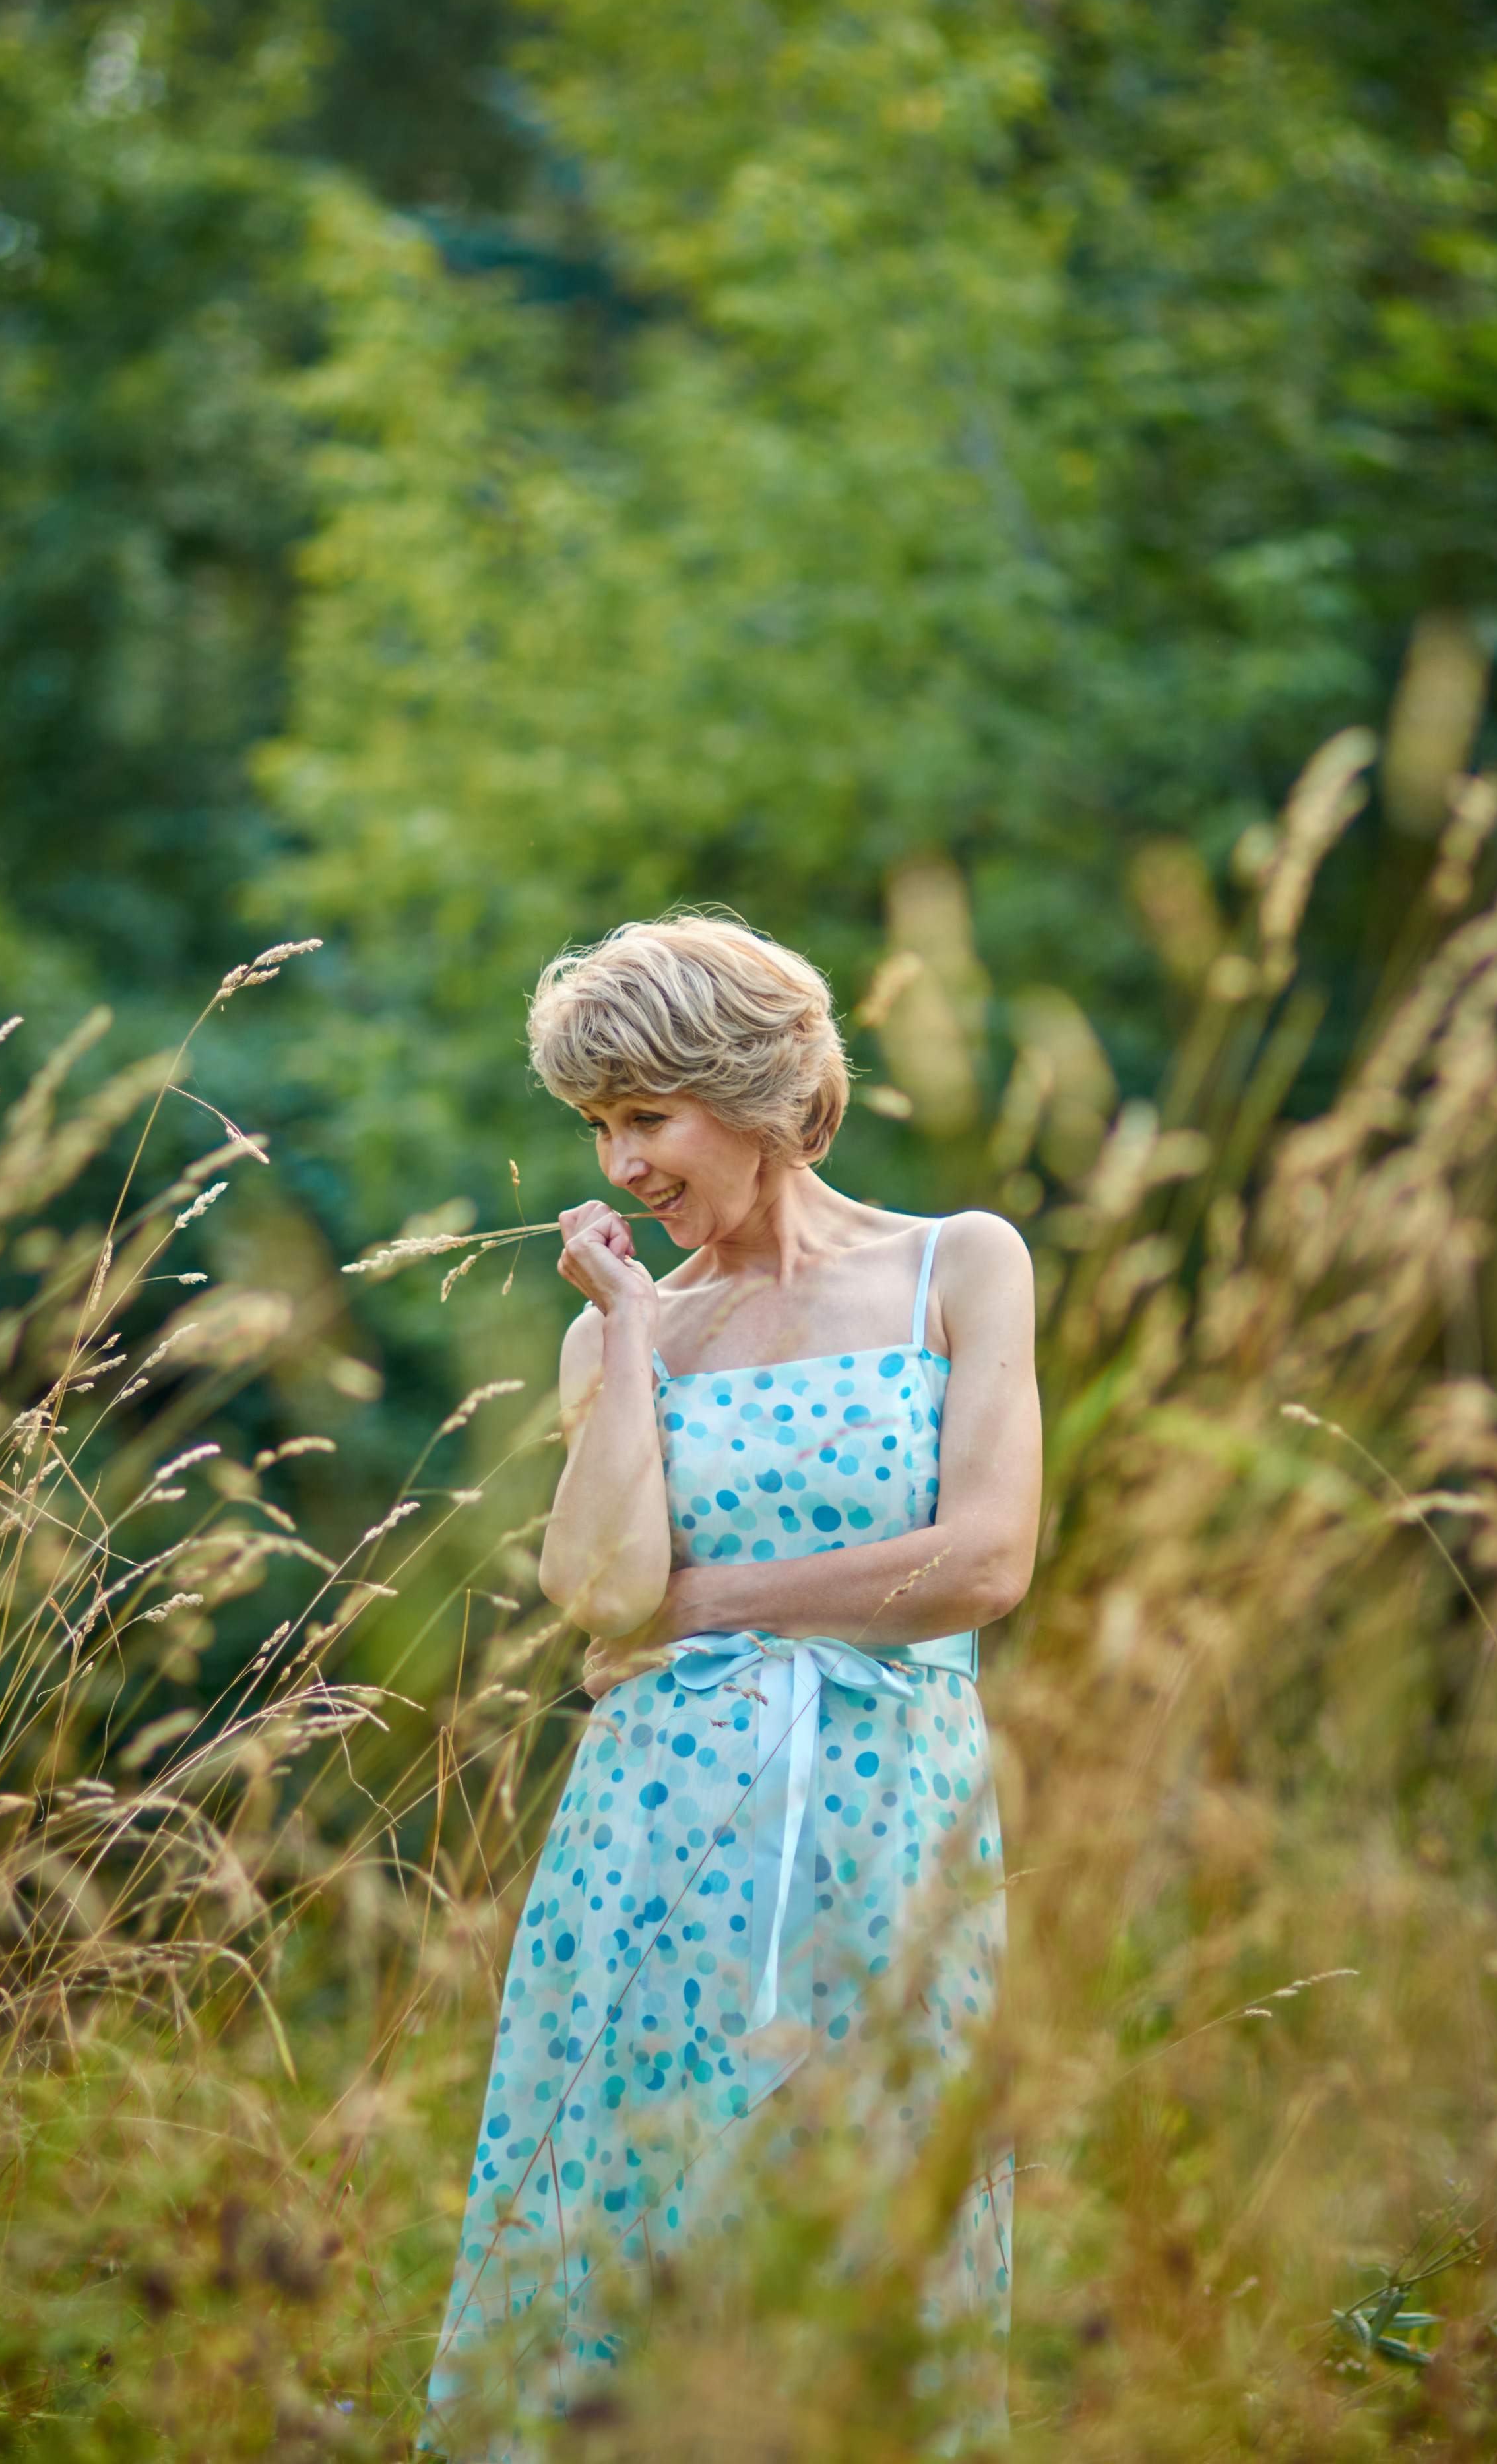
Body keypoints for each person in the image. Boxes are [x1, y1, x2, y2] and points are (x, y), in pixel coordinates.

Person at [423, 914, 1042, 2457]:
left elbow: (977, 1566)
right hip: (651, 1829)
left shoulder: (954, 1266)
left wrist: (716, 1601)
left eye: (646, 1117)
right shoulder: (617, 1337)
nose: (620, 1163)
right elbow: (598, 1597)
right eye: (595, 1127)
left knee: (869, 2213)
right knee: (625, 2212)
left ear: (755, 1097)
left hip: (887, 1825)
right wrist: (629, 1334)